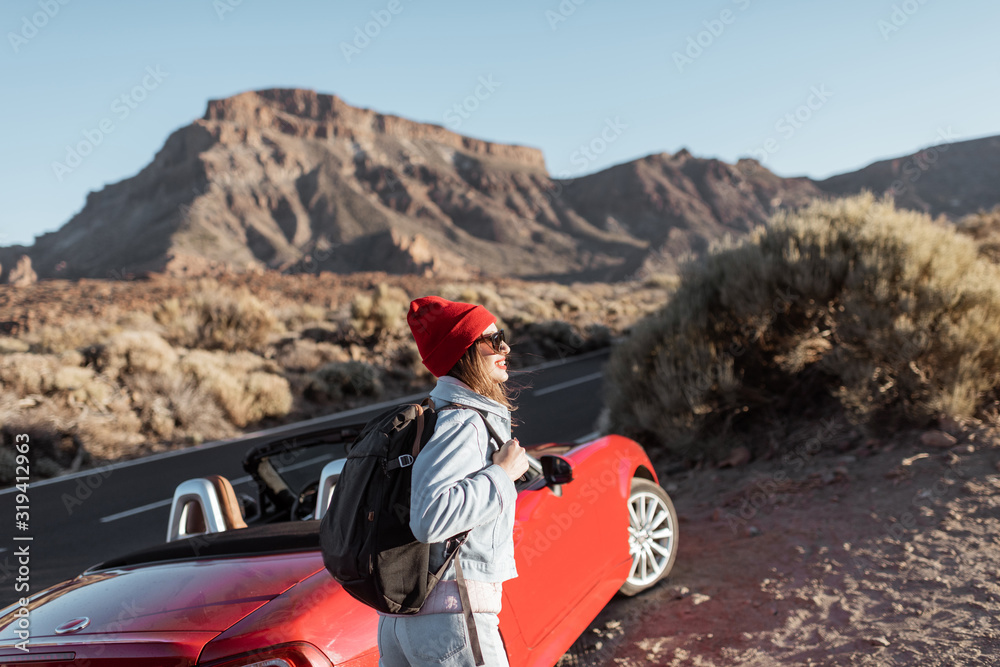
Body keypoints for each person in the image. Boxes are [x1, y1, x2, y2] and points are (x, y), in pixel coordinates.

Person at [377, 296, 529, 666]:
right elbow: (430, 518)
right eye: (494, 340)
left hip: (405, 619)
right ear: (466, 351)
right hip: (451, 617)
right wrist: (502, 474)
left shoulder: (436, 418)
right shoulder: (464, 422)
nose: (505, 347)